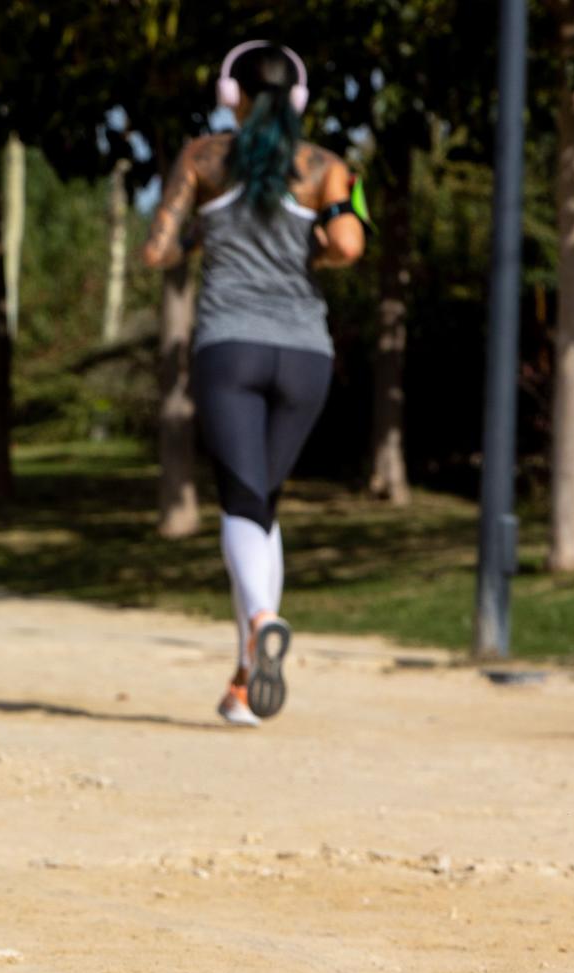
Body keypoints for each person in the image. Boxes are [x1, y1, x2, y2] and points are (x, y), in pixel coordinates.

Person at [141, 40, 366, 728]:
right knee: (262, 503)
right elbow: (348, 247)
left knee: (241, 504)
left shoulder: (203, 159)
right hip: (305, 355)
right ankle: (246, 680)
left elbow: (157, 249)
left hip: (229, 348)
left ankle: (263, 619)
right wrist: (314, 242)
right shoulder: (329, 168)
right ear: (298, 99)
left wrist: (204, 234)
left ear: (228, 93)